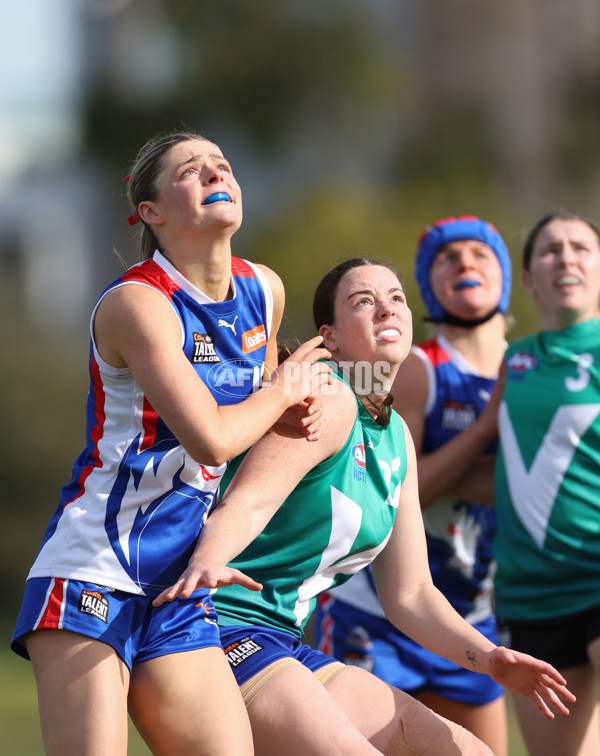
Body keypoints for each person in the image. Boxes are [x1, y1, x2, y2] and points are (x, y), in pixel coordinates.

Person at [155, 257, 574, 756]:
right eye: (363, 301)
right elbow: (248, 502)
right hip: (217, 628)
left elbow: (412, 594)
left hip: (283, 640)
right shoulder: (329, 395)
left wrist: (490, 658)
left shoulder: (395, 435)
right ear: (329, 337)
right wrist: (205, 562)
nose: (386, 309)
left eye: (396, 298)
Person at [10, 130, 332, 756]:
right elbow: (212, 438)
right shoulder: (138, 302)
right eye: (192, 169)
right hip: (93, 568)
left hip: (181, 582)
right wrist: (283, 392)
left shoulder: (263, 288)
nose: (216, 173)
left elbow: (250, 422)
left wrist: (286, 414)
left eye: (223, 165)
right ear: (150, 213)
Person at [314, 217, 511, 754]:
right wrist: (486, 431)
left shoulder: (526, 368)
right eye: (449, 257)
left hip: (464, 610)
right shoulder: (416, 369)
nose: (466, 264)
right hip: (370, 611)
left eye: (480, 253)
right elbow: (405, 487)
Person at [494, 209, 600, 756]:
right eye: (551, 249)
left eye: (580, 247)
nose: (566, 258)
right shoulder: (514, 361)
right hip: (530, 594)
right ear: (530, 278)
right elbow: (490, 461)